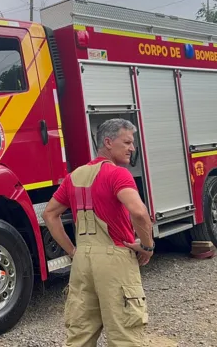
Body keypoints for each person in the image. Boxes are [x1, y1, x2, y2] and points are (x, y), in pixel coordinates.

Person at [42, 118, 154, 347]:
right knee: (125, 335)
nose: (132, 148)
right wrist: (147, 246)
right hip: (115, 257)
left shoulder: (74, 176)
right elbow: (139, 213)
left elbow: (49, 214)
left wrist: (72, 250)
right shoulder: (118, 174)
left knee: (80, 335)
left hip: (82, 262)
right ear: (108, 142)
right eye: (127, 142)